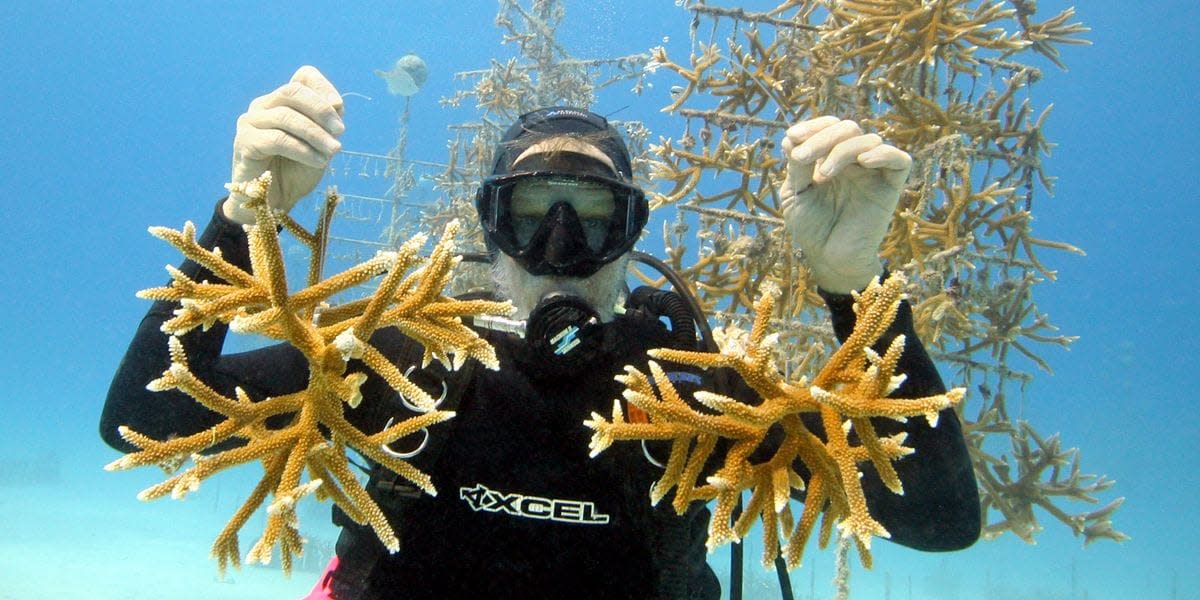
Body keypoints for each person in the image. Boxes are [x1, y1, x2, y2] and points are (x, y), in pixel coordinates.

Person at [101, 66, 980, 599]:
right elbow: (146, 417)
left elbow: (939, 522)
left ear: (631, 236)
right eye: (530, 213)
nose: (561, 249)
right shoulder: (405, 361)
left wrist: (852, 286)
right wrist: (241, 216)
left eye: (594, 214)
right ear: (492, 232)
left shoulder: (694, 396)